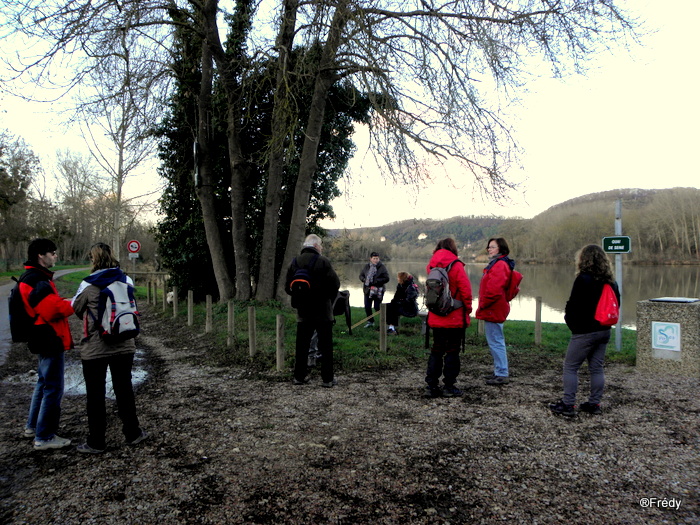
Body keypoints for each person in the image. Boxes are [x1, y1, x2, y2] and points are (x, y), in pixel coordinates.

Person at [71, 243, 147, 453]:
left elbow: (76, 309)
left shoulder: (87, 283)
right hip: (124, 345)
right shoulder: (126, 279)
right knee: (124, 389)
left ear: (93, 259)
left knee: (95, 394)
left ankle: (96, 441)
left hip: (95, 348)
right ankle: (133, 433)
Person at [549, 244, 620, 417]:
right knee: (596, 367)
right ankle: (594, 403)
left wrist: (571, 323)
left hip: (585, 332)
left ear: (583, 259)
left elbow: (573, 306)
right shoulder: (611, 282)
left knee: (570, 367)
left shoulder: (583, 279)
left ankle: (568, 405)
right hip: (604, 330)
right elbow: (617, 304)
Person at [19, 238, 75, 450]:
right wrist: (74, 303)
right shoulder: (36, 279)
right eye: (52, 252)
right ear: (40, 255)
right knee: (53, 387)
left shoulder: (31, 277)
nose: (55, 255)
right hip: (49, 337)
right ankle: (45, 436)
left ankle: (33, 427)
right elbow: (52, 310)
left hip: (40, 335)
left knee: (43, 384)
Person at [285, 234, 340, 387]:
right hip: (323, 311)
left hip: (303, 311)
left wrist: (301, 296)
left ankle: (299, 377)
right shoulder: (323, 261)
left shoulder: (294, 262)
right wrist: (326, 297)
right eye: (321, 245)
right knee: (326, 346)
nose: (321, 248)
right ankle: (327, 379)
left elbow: (287, 287)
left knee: (301, 345)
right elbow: (335, 284)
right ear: (316, 246)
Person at [424, 238, 473, 398]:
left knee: (437, 349)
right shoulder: (456, 265)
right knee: (452, 350)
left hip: (436, 315)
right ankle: (449, 386)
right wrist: (468, 310)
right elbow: (465, 291)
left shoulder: (431, 265)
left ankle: (431, 385)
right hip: (454, 317)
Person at [476, 237, 516, 386]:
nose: (489, 249)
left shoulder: (499, 265)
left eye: (492, 247)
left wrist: (483, 305)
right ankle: (499, 370)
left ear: (500, 249)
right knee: (495, 340)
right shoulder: (500, 264)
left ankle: (502, 373)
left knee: (496, 341)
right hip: (495, 307)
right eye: (488, 247)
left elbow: (494, 290)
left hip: (494, 308)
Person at [359, 252, 390, 329]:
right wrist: (364, 279)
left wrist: (376, 281)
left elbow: (387, 278)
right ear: (371, 259)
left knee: (377, 307)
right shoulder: (367, 266)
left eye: (377, 258)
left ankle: (386, 321)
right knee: (367, 307)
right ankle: (370, 321)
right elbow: (361, 275)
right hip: (367, 290)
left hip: (378, 290)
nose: (376, 260)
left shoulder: (382, 267)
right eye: (374, 258)